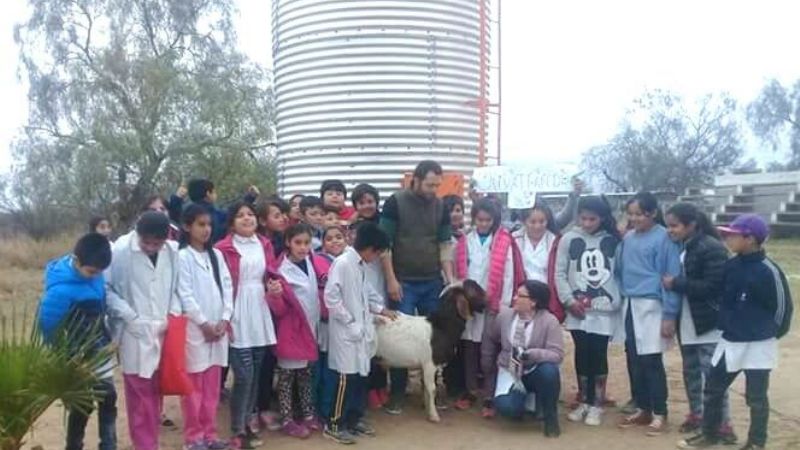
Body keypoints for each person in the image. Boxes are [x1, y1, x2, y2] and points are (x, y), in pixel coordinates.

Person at [679, 214, 793, 450]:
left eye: (733, 235)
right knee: (713, 387)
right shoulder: (731, 266)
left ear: (750, 239)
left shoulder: (768, 270)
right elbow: (719, 296)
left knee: (757, 397)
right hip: (730, 340)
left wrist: (769, 333)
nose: (727, 239)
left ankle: (756, 442)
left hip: (759, 343)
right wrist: (725, 320)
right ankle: (710, 435)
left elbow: (783, 308)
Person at [380, 160, 455, 415]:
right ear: (416, 179)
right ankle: (398, 394)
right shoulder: (395, 202)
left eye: (437, 185)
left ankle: (432, 392)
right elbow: (385, 243)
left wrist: (450, 279)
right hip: (403, 281)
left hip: (433, 280)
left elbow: (445, 244)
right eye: (430, 184)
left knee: (436, 339)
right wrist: (391, 279)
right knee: (400, 339)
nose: (434, 189)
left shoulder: (441, 206)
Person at [662, 203, 737, 443]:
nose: (669, 230)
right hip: (688, 320)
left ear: (691, 225)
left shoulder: (711, 248)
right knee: (691, 371)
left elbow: (714, 286)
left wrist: (677, 283)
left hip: (708, 321)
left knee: (713, 375)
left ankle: (722, 424)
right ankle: (697, 414)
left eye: (674, 225)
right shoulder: (682, 245)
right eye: (668, 225)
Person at [106, 212, 181, 450]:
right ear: (137, 233)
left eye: (155, 243)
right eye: (145, 242)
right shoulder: (120, 251)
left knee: (157, 391)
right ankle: (145, 445)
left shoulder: (172, 252)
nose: (149, 247)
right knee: (139, 394)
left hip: (164, 328)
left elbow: (177, 288)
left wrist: (173, 315)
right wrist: (131, 317)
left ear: (165, 238)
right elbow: (106, 290)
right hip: (134, 330)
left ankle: (152, 441)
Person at [38, 233, 116, 450]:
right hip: (74, 353)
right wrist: (66, 358)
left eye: (99, 272)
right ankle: (73, 446)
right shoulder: (60, 290)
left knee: (108, 396)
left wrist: (107, 337)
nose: (95, 276)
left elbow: (101, 308)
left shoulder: (96, 271)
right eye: (91, 272)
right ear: (77, 260)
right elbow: (47, 326)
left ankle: (109, 445)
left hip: (98, 347)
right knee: (83, 404)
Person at [321, 222, 397, 444]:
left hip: (361, 331)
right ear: (371, 249)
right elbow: (332, 299)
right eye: (378, 252)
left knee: (360, 377)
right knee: (346, 379)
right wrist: (350, 322)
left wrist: (381, 309)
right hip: (346, 332)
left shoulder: (360, 265)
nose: (377, 257)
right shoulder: (343, 263)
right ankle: (334, 424)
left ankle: (353, 420)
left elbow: (368, 292)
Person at [617, 192, 682, 436]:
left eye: (639, 214)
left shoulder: (664, 239)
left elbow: (670, 275)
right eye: (630, 214)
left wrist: (669, 314)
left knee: (652, 361)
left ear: (652, 213)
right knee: (634, 358)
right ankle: (643, 407)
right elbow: (621, 269)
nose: (634, 219)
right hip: (631, 304)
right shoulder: (629, 238)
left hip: (653, 305)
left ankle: (660, 412)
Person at [215, 201, 278, 449]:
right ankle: (237, 429)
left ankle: (248, 422)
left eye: (250, 214)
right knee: (243, 374)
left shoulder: (264, 244)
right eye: (240, 216)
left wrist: (273, 285)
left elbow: (271, 273)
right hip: (235, 309)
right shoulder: (222, 248)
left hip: (260, 310)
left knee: (256, 371)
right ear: (231, 223)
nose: (247, 219)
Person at [555, 196, 622, 427]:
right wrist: (568, 300)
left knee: (598, 354)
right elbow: (560, 273)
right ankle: (584, 400)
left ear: (602, 218)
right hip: (577, 309)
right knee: (582, 353)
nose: (587, 223)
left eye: (592, 219)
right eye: (583, 218)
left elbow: (619, 273)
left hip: (604, 312)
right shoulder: (568, 239)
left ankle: (597, 404)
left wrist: (616, 300)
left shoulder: (613, 240)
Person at [454, 198, 524, 413]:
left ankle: (489, 393)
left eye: (488, 220)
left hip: (493, 303)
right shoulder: (465, 241)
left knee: (488, 352)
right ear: (473, 218)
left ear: (494, 220)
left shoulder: (503, 241)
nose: (483, 224)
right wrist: (464, 299)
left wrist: (502, 304)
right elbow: (460, 272)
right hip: (470, 303)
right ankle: (470, 390)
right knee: (469, 349)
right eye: (479, 219)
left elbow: (509, 274)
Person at [177, 205, 234, 450]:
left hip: (218, 330)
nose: (206, 230)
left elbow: (228, 287)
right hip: (196, 331)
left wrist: (224, 318)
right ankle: (194, 438)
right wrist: (204, 324)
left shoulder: (216, 256)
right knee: (193, 389)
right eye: (200, 224)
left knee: (212, 388)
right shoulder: (182, 257)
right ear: (187, 227)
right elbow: (185, 294)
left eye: (209, 224)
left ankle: (210, 435)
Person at [482, 280, 564, 438]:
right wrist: (488, 364)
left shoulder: (549, 321)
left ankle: (550, 417)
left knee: (549, 371)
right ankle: (528, 403)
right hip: (510, 371)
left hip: (534, 369)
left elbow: (557, 354)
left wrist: (534, 354)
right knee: (508, 408)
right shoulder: (505, 316)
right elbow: (491, 338)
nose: (514, 299)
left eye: (520, 296)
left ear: (533, 302)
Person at [272, 224, 328, 438]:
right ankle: (286, 418)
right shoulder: (280, 271)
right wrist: (275, 295)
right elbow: (279, 309)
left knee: (305, 373)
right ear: (288, 242)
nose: (303, 247)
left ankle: (308, 414)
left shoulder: (311, 262)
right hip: (291, 330)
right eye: (298, 243)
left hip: (310, 327)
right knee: (287, 376)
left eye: (306, 243)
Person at [169, 179, 259, 244]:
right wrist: (250, 197)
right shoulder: (214, 214)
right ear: (208, 193)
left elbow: (174, 214)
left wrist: (177, 198)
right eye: (214, 192)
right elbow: (233, 211)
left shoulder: (186, 212)